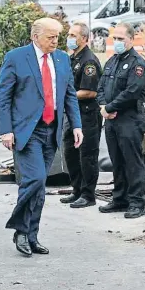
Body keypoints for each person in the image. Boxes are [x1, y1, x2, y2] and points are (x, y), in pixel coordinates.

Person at [0, 18, 83, 257]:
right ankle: (20, 230)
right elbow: (3, 96)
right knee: (34, 180)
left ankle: (31, 235)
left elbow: (69, 95)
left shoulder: (62, 59)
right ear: (36, 37)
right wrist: (5, 129)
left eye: (57, 36)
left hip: (51, 130)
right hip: (27, 131)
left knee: (40, 188)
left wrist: (76, 124)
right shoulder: (16, 57)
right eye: (50, 37)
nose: (55, 41)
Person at [97, 23, 145, 219]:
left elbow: (132, 92)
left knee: (132, 162)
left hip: (129, 119)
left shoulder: (137, 64)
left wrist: (110, 108)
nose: (117, 42)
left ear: (130, 39)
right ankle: (120, 199)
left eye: (121, 39)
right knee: (116, 161)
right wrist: (103, 107)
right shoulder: (112, 61)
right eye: (115, 39)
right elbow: (101, 87)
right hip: (111, 120)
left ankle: (136, 203)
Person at [60, 22, 102, 208]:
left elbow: (90, 92)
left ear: (84, 38)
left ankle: (88, 195)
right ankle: (77, 190)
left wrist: (66, 96)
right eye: (69, 35)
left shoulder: (89, 61)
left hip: (87, 115)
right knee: (70, 153)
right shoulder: (72, 59)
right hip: (73, 115)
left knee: (87, 156)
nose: (70, 39)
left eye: (73, 35)